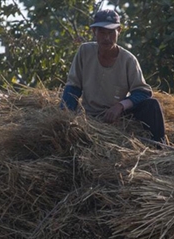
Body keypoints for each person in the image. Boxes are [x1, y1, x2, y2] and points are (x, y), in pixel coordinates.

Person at [61, 9, 166, 143]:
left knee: (152, 105)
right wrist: (64, 117)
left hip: (119, 117)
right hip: (90, 118)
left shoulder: (129, 60)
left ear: (119, 31)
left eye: (111, 33)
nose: (107, 38)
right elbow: (73, 87)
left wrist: (120, 106)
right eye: (102, 33)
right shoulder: (85, 52)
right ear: (94, 32)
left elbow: (143, 92)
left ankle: (160, 148)